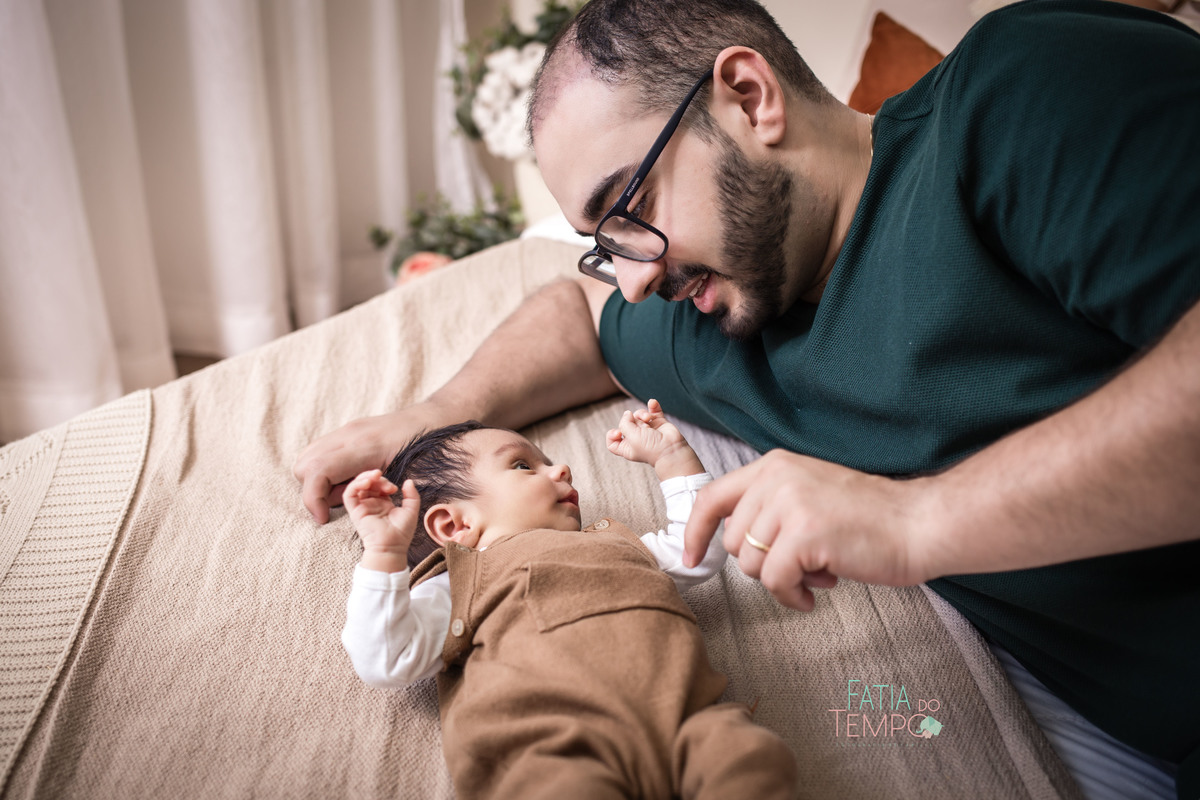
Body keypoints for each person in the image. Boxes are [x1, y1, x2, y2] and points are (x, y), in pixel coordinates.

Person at [299, 0, 1199, 794]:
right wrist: (434, 419)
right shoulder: (722, 314)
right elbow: (576, 312)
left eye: (629, 208)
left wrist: (913, 522)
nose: (634, 279)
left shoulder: (1021, 88)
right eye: (604, 241)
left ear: (749, 96)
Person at [339, 400, 799, 800]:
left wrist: (674, 459)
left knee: (754, 759)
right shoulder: (459, 583)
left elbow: (696, 551)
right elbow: (387, 657)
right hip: (553, 746)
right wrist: (385, 554)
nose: (561, 469)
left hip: (688, 725)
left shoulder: (617, 545)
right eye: (522, 466)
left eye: (548, 461)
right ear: (456, 527)